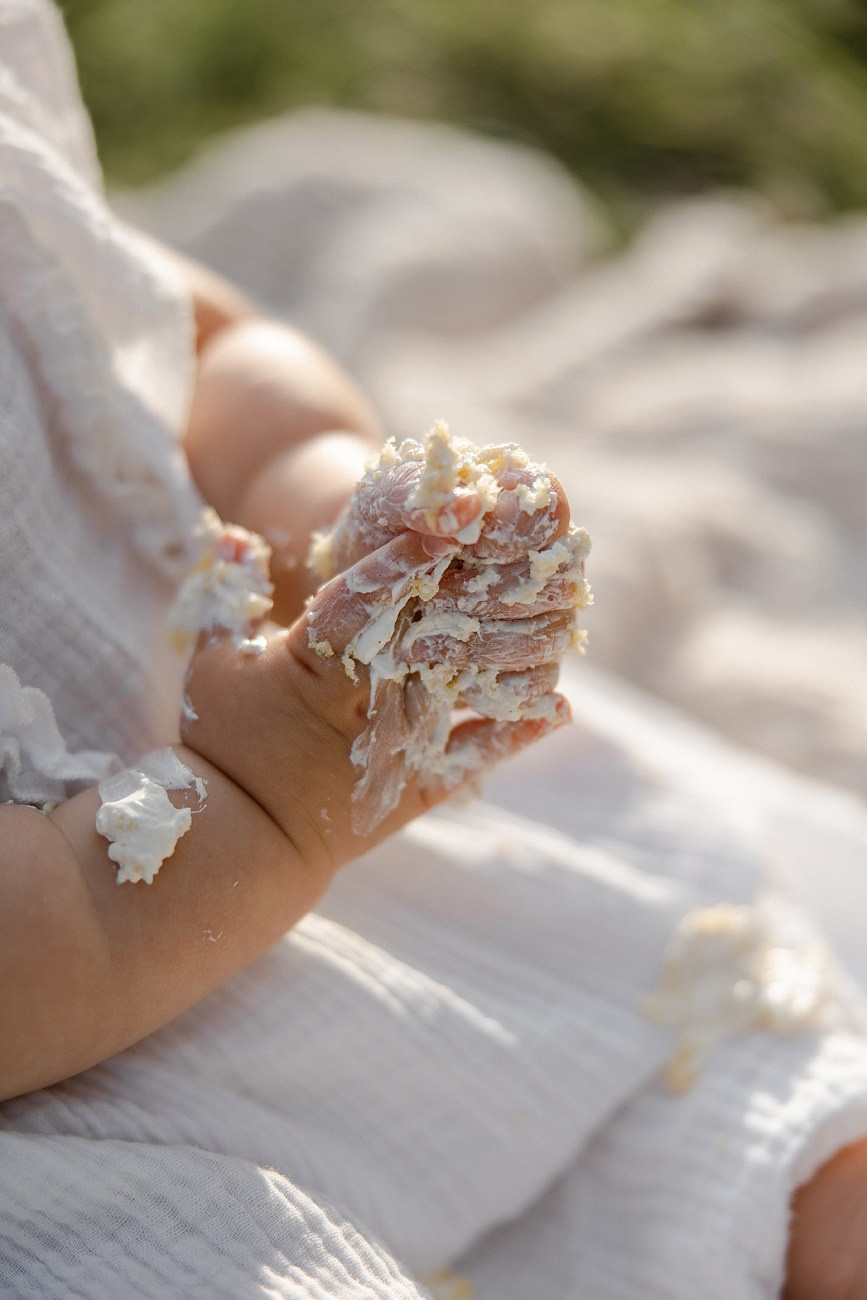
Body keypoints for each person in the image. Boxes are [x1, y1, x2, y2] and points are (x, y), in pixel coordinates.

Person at [2, 2, 867, 1295]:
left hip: (364, 834)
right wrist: (269, 786)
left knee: (733, 1051)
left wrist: (319, 492)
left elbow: (173, 333)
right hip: (82, 1062)